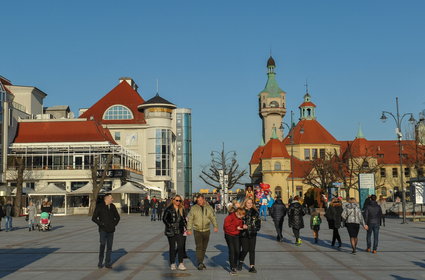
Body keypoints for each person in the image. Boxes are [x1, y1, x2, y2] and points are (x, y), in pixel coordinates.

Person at [187, 194, 218, 270]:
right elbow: (190, 219)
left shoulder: (209, 208)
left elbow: (213, 217)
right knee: (199, 246)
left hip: (206, 230)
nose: (199, 202)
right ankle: (200, 262)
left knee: (204, 247)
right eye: (198, 200)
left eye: (200, 200)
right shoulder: (194, 208)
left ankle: (201, 260)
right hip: (197, 230)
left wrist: (215, 226)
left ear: (203, 199)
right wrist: (189, 229)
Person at [92, 193, 120, 268]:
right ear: (106, 198)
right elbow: (94, 218)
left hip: (111, 230)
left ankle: (107, 263)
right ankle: (100, 262)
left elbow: (117, 217)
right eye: (111, 198)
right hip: (103, 230)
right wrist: (101, 224)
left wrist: (114, 224)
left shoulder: (113, 206)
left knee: (109, 247)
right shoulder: (99, 206)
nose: (112, 199)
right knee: (102, 245)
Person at [163, 195, 187, 271]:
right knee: (172, 247)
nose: (178, 202)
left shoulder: (181, 209)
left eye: (179, 200)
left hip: (180, 230)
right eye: (176, 200)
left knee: (180, 246)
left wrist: (187, 227)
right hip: (171, 230)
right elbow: (164, 219)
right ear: (173, 200)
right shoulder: (169, 209)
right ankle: (172, 263)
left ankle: (180, 263)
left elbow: (183, 219)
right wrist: (170, 225)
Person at [239, 198, 261, 273]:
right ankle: (241, 261)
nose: (250, 204)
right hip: (244, 233)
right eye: (248, 203)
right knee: (245, 249)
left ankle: (252, 266)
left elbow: (258, 223)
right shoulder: (241, 211)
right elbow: (238, 221)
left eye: (251, 203)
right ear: (245, 203)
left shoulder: (255, 212)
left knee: (252, 250)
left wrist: (255, 228)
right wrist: (242, 226)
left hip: (253, 233)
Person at [223, 207, 246, 275]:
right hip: (229, 235)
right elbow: (226, 227)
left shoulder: (240, 218)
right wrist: (236, 228)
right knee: (232, 250)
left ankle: (235, 264)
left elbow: (240, 224)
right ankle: (232, 267)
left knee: (237, 250)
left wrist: (242, 226)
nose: (242, 217)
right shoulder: (229, 217)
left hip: (236, 235)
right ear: (238, 213)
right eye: (242, 215)